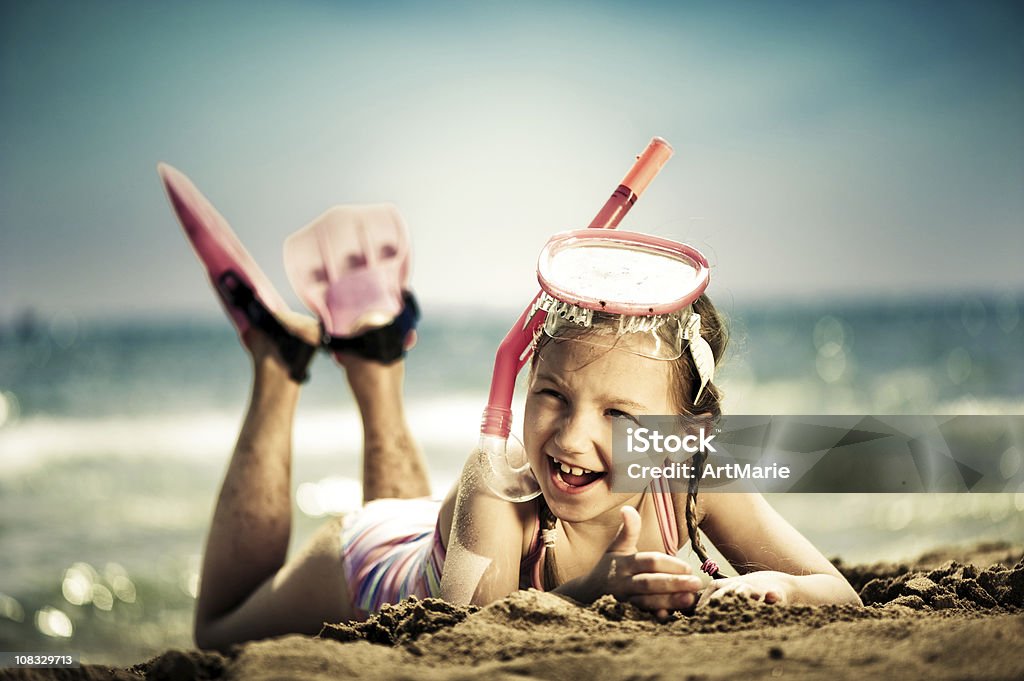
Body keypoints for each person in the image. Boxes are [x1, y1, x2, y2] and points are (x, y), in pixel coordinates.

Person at [157, 164, 861, 652]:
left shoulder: (693, 481)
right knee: (218, 635)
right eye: (552, 393)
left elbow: (842, 596)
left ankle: (374, 365)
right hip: (373, 561)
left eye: (619, 417)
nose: (573, 435)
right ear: (523, 379)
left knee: (444, 551)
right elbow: (462, 637)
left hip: (453, 547)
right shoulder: (498, 485)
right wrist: (589, 592)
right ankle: (278, 364)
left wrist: (782, 590)